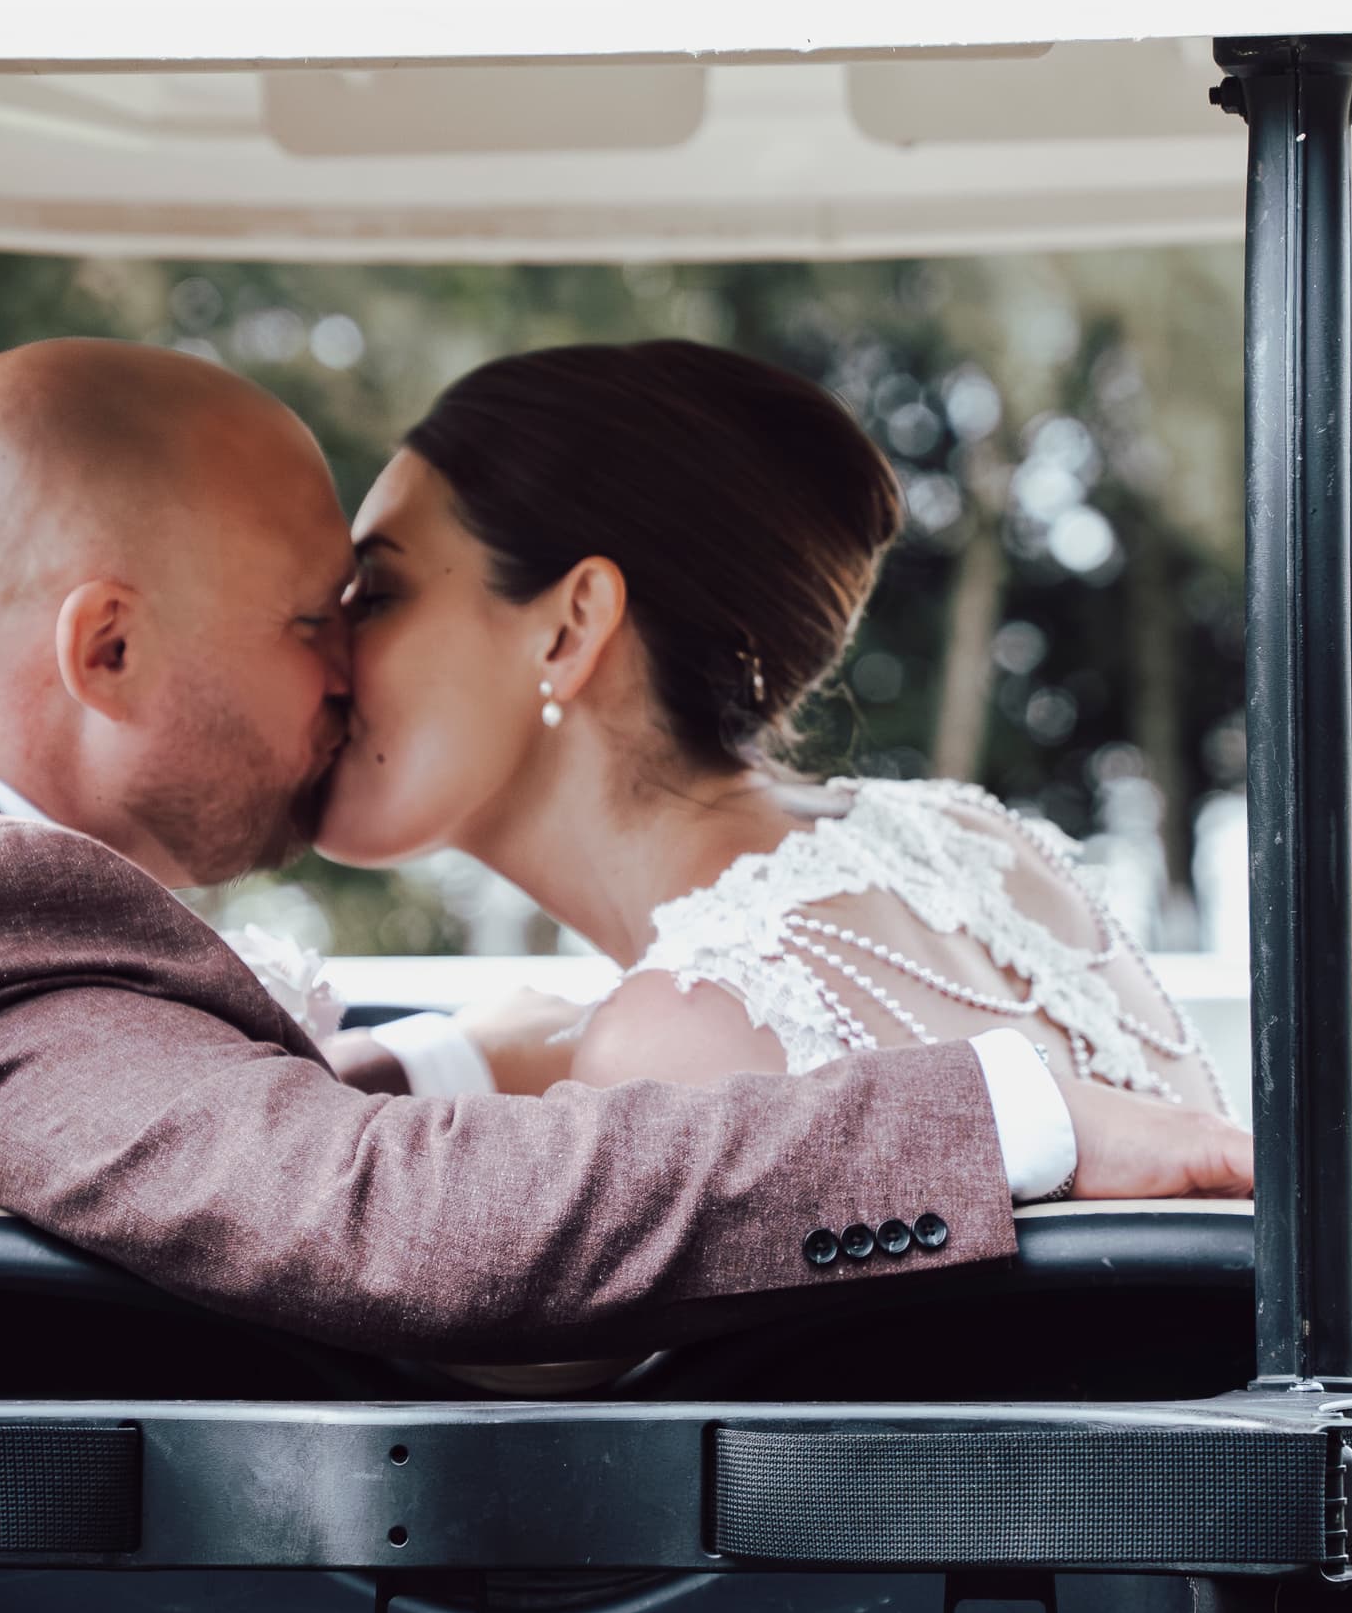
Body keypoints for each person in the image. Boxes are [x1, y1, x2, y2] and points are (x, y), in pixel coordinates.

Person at [0, 338, 1248, 1349]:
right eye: (309, 614)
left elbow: (120, 1121)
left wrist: (431, 1059)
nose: (338, 670)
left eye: (367, 602)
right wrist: (1015, 1112)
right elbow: (362, 1217)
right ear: (105, 650)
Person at [320, 338, 1238, 1129]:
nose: (329, 644)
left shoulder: (671, 1042)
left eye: (380, 592)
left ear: (569, 628)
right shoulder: (979, 846)